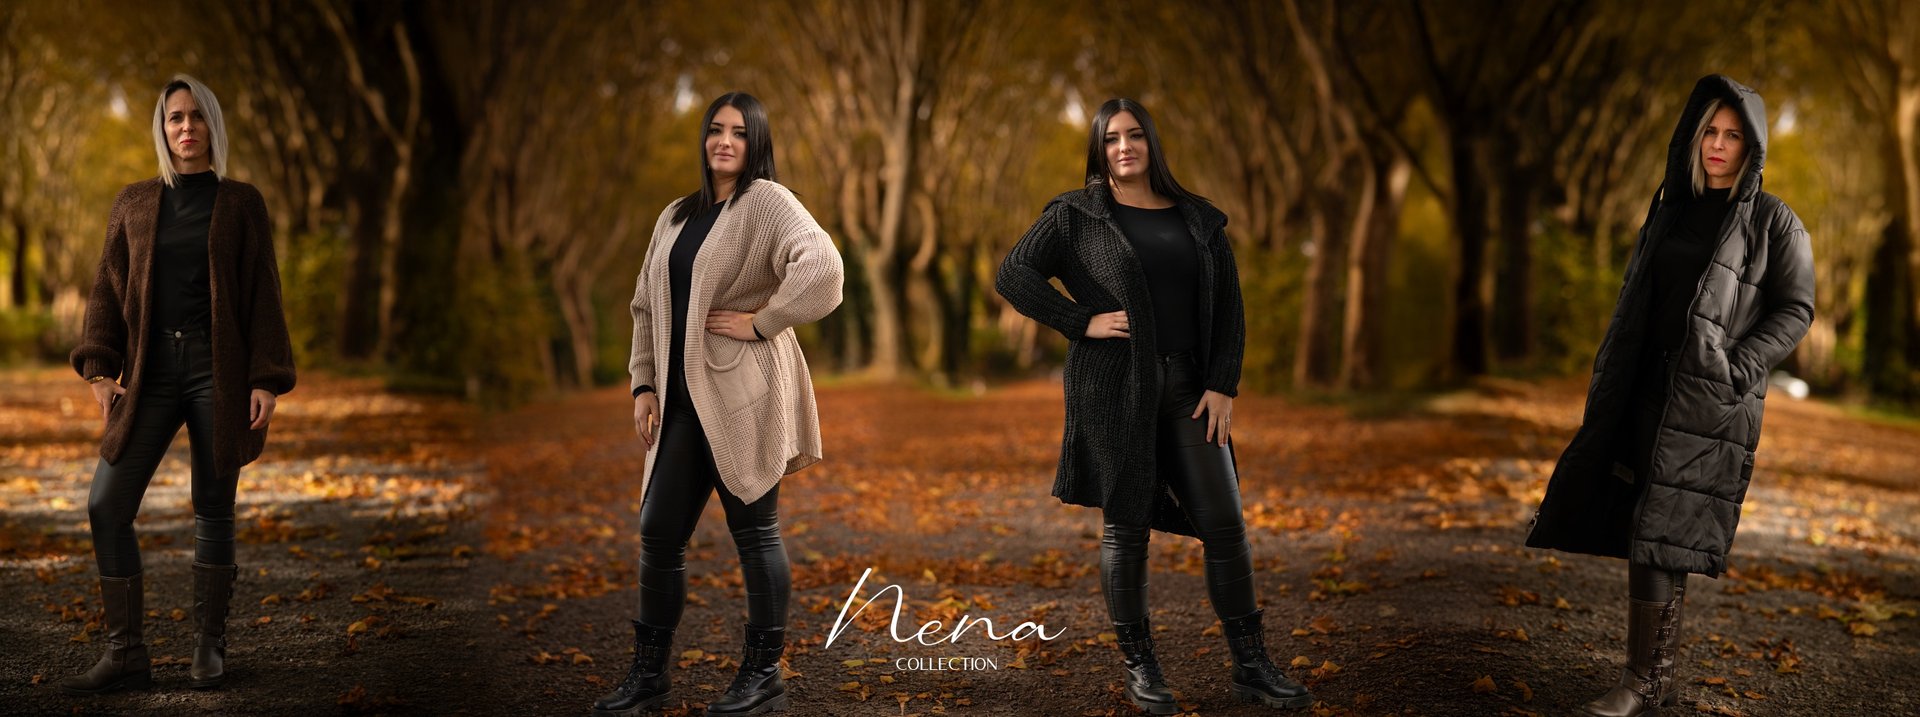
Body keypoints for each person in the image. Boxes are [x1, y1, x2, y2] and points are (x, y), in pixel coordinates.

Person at [995, 98, 1311, 713]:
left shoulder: (1198, 218)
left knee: (1225, 524)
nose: (1124, 147)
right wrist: (1080, 321)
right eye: (1111, 138)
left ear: (1151, 143)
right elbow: (1014, 274)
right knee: (1126, 527)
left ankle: (1251, 665)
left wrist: (1223, 384)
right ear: (1099, 149)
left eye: (1134, 135)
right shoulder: (1075, 215)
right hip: (1113, 388)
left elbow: (1230, 308)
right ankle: (1142, 668)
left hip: (1191, 391)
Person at [1526, 74, 1815, 717]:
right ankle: (1655, 678)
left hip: (1706, 399)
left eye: (1732, 135)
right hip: (1644, 386)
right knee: (1648, 522)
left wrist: (1736, 370)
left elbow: (1797, 309)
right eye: (1709, 131)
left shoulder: (1774, 221)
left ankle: (1643, 682)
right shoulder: (1671, 207)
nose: (1717, 145)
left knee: (1664, 527)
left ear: (1752, 147)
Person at [595, 91, 844, 717]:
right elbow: (644, 306)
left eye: (739, 131)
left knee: (755, 532)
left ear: (756, 142)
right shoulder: (675, 215)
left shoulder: (767, 202)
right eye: (715, 129)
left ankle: (763, 674)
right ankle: (649, 675)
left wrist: (763, 322)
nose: (725, 141)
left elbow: (824, 268)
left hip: (742, 399)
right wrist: (643, 384)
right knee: (658, 532)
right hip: (679, 401)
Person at [61, 74, 296, 694]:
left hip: (218, 371)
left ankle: (208, 648)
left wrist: (266, 378)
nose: (186, 127)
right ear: (162, 130)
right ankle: (126, 654)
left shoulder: (241, 203)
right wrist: (99, 368)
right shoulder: (134, 202)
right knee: (106, 504)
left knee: (213, 506)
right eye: (175, 118)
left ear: (212, 124)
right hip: (151, 373)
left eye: (195, 116)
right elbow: (107, 286)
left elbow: (263, 292)